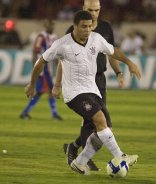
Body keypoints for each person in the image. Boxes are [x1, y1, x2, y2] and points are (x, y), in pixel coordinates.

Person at [25, 10, 141, 175]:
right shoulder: (62, 44)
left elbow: (113, 51)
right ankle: (120, 156)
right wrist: (32, 84)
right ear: (75, 26)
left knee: (103, 131)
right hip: (74, 94)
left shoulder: (96, 39)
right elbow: (40, 62)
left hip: (93, 90)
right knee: (100, 120)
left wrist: (129, 63)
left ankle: (79, 163)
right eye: (84, 26)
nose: (88, 30)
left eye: (90, 26)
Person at [52, 0, 125, 171]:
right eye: (90, 10)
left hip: (99, 80)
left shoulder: (106, 28)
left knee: (100, 123)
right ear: (83, 10)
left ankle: (74, 147)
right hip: (80, 82)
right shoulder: (75, 29)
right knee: (94, 121)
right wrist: (57, 84)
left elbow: (111, 53)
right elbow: (63, 61)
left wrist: (119, 73)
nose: (94, 13)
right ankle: (84, 158)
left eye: (97, 10)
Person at [20, 19, 63, 121]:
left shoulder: (55, 38)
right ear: (45, 26)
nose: (51, 27)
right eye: (49, 25)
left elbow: (56, 55)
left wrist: (58, 67)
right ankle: (53, 114)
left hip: (49, 69)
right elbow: (36, 52)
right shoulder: (41, 37)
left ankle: (26, 112)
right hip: (43, 70)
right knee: (45, 91)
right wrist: (36, 67)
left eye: (52, 25)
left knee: (45, 91)